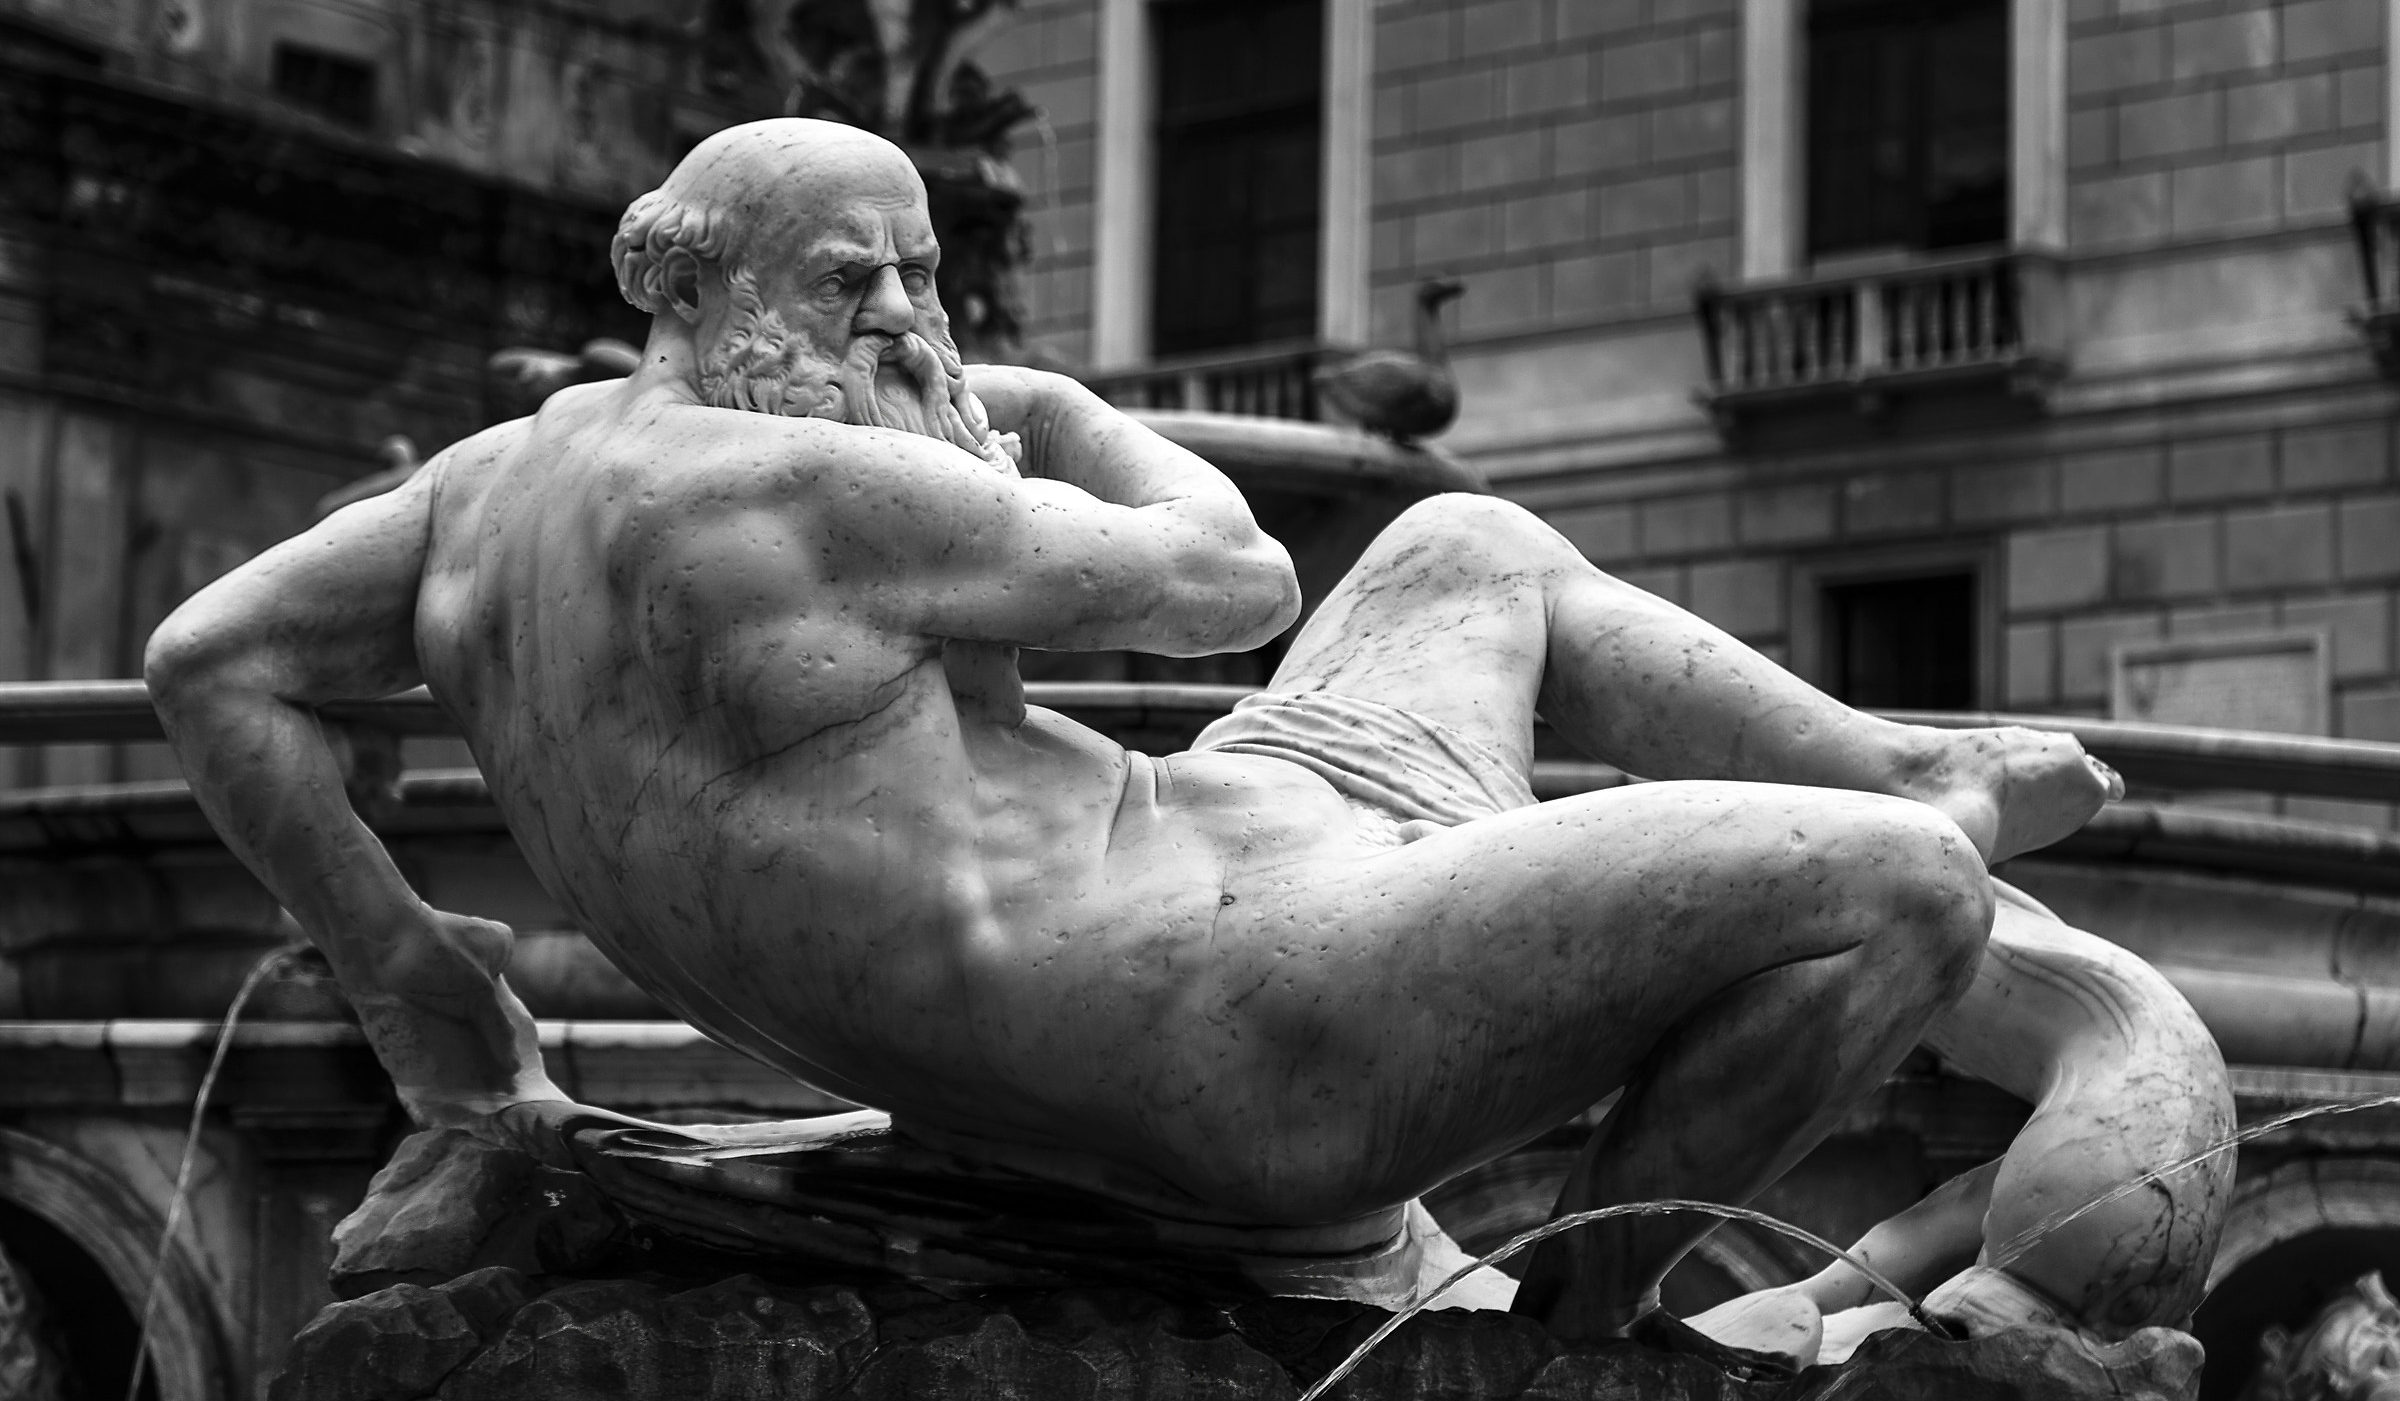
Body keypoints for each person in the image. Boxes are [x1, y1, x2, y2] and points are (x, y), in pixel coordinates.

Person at [146, 118, 2122, 1341]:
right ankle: (1561, 1334)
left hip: (1232, 850)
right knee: (1903, 900)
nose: (911, 315)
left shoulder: (489, 488)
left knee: (1462, 542)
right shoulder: (807, 504)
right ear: (722, 293)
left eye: (926, 269)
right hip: (1249, 1031)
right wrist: (1073, 420)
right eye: (864, 283)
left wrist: (408, 972)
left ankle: (1885, 748)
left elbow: (203, 659)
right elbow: (1237, 574)